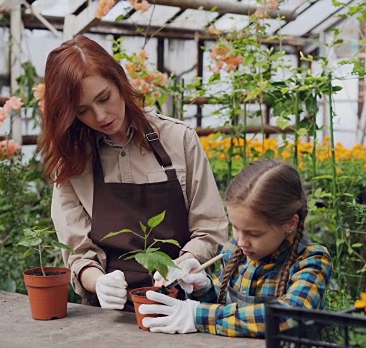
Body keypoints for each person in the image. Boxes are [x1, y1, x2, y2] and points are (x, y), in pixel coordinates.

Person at [41, 35, 229, 311]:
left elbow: (210, 228)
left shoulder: (179, 140)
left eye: (104, 98)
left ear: (119, 81)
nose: (101, 116)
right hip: (107, 315)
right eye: (83, 111)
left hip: (181, 306)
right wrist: (99, 283)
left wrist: (185, 262)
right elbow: (79, 253)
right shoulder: (72, 162)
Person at [141, 159, 333, 338]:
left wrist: (198, 315)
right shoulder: (236, 250)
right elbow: (223, 303)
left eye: (254, 234)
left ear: (290, 224)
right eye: (236, 228)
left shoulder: (311, 260)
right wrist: (203, 288)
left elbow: (288, 316)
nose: (241, 241)